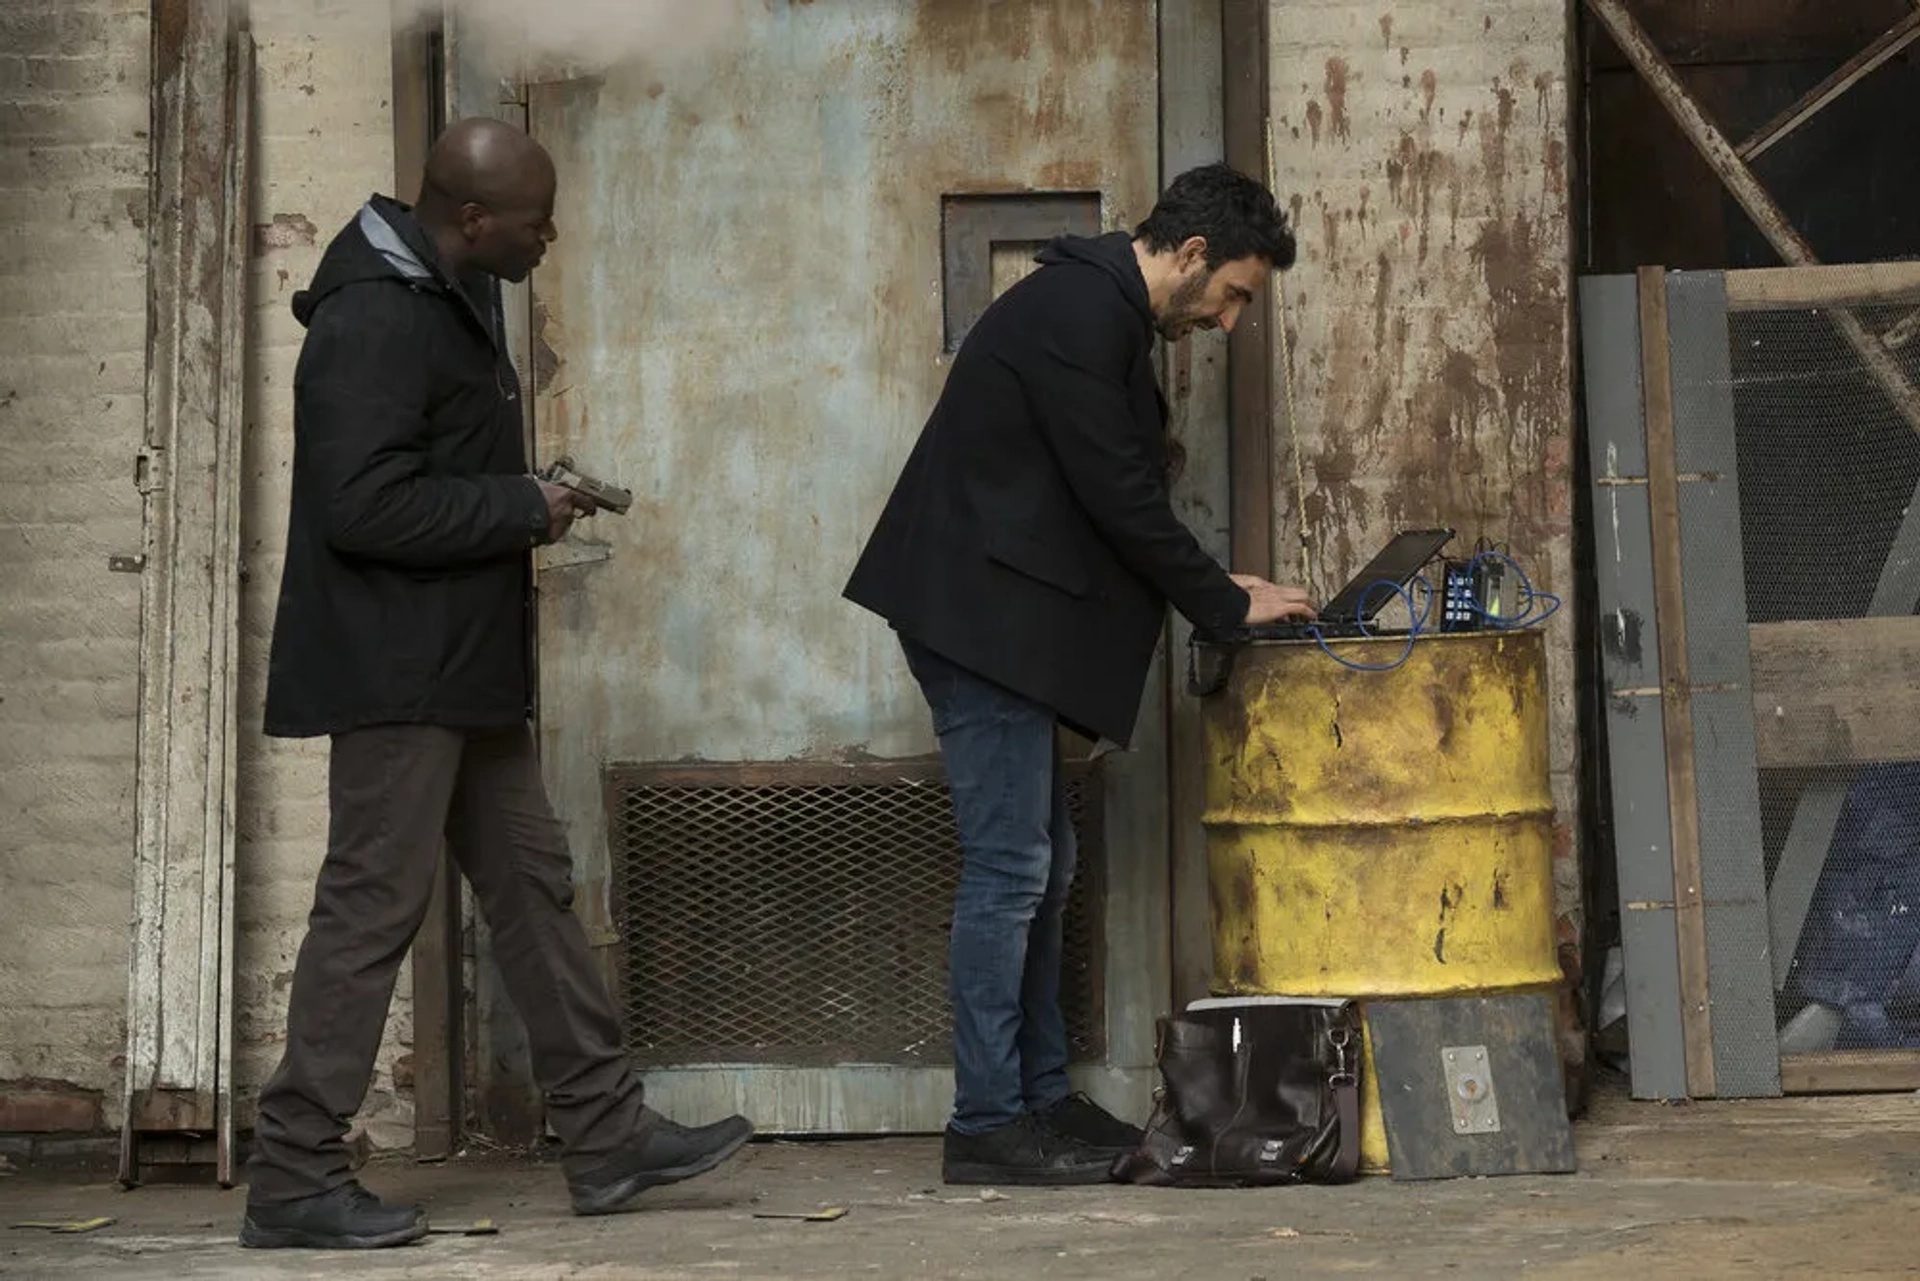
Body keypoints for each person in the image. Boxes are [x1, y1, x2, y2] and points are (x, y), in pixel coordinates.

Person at [241, 118, 753, 1250]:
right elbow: (360, 507)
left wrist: (520, 492)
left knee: (531, 888)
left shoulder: (452, 290)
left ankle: (607, 1139)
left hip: (461, 668)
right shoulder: (375, 316)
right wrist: (526, 506)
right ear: (473, 220)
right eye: (535, 223)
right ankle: (291, 1177)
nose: (549, 240)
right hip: (396, 673)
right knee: (371, 909)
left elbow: (427, 473)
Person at [844, 164, 1316, 1186]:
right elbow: (1115, 495)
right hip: (980, 626)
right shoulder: (1080, 312)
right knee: (1011, 871)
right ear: (1192, 257)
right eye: (1233, 294)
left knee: (1043, 869)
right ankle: (984, 1123)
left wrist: (1214, 583)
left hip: (1003, 621)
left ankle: (1042, 1097)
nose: (1231, 321)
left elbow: (1087, 495)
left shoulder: (1097, 311)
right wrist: (1220, 601)